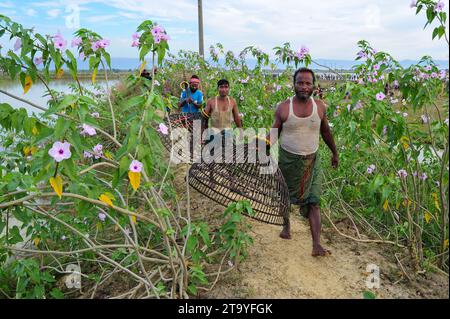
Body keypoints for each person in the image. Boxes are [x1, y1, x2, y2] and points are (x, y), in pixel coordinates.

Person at [267, 67, 338, 257]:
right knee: (285, 197)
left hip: (312, 161)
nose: (304, 87)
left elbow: (325, 132)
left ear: (313, 86)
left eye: (308, 83)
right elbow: (274, 133)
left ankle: (316, 245)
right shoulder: (284, 107)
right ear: (294, 84)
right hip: (289, 160)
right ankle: (286, 225)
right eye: (300, 82)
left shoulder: (320, 107)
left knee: (314, 201)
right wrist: (263, 146)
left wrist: (334, 153)